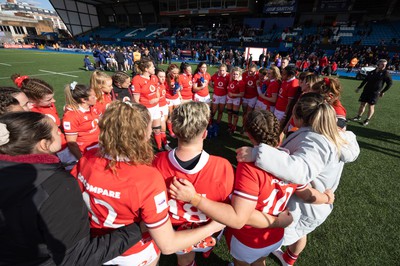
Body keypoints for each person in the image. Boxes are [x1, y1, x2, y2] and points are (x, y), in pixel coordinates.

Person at [170, 108, 335, 266]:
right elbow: (307, 194)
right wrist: (327, 198)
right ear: (280, 135)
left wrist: (194, 198)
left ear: (249, 135)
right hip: (275, 237)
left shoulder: (249, 168)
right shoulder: (291, 162)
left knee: (243, 263)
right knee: (258, 261)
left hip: (249, 237)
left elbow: (242, 216)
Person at [71, 101, 224, 266]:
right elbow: (167, 245)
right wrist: (213, 227)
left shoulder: (87, 158)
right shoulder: (147, 177)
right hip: (135, 251)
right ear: (142, 134)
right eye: (150, 128)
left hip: (97, 246)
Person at [0, 111, 142, 265]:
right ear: (43, 144)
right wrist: (136, 230)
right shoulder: (57, 185)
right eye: (57, 131)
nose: (61, 133)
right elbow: (75, 257)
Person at [236, 93, 360, 266]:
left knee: (273, 241)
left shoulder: (315, 141)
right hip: (316, 201)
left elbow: (299, 171)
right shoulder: (335, 135)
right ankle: (288, 260)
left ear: (299, 118)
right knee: (301, 233)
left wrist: (258, 153)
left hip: (307, 203)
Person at [153, 101, 235, 266]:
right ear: (205, 134)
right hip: (208, 228)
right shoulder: (222, 166)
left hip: (173, 232)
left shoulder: (157, 162)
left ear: (174, 132)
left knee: (184, 259)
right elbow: (231, 209)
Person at [20, 78, 76, 168]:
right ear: (33, 100)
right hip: (50, 152)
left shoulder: (49, 105)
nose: (54, 101)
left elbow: (57, 123)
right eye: (48, 99)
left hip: (63, 147)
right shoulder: (30, 113)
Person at [62, 82, 100, 160]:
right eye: (93, 97)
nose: (96, 98)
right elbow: (71, 143)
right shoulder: (71, 116)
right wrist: (82, 160)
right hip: (86, 151)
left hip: (98, 145)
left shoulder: (93, 107)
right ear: (83, 100)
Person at [131, 60, 162, 151]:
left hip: (155, 107)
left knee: (157, 129)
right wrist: (143, 109)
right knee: (147, 132)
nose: (154, 68)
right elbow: (136, 100)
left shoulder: (154, 77)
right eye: (152, 67)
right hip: (146, 109)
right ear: (146, 69)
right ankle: (145, 150)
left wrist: (157, 98)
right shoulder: (137, 79)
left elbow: (157, 90)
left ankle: (159, 147)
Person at [352, 59, 393, 126]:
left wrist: (382, 91)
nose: (383, 66)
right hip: (366, 91)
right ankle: (358, 117)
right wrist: (359, 88)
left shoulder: (386, 73)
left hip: (375, 93)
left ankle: (367, 120)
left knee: (371, 106)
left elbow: (390, 83)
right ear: (378, 64)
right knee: (362, 104)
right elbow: (365, 80)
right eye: (382, 64)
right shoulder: (372, 72)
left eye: (385, 65)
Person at [210, 63, 230, 136]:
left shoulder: (228, 76)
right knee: (213, 111)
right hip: (216, 95)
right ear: (218, 70)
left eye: (223, 70)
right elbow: (210, 80)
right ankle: (210, 122)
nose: (221, 72)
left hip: (224, 96)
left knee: (221, 111)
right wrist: (213, 86)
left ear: (226, 71)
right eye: (220, 70)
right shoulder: (215, 75)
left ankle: (218, 123)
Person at [165, 64, 182, 140]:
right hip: (168, 98)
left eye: (177, 73)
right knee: (171, 115)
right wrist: (171, 88)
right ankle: (170, 130)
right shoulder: (165, 79)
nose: (175, 75)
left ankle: (176, 128)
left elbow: (180, 86)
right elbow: (163, 90)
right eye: (174, 73)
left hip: (176, 98)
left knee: (177, 114)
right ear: (169, 71)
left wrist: (179, 90)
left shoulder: (178, 77)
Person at [156, 68, 172, 151]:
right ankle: (162, 145)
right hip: (158, 107)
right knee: (162, 127)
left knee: (163, 125)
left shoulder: (163, 84)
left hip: (164, 105)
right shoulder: (154, 85)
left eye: (164, 76)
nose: (163, 78)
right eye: (160, 76)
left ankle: (162, 141)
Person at [226, 67, 245, 134]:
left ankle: (234, 127)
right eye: (233, 74)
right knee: (229, 112)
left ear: (239, 75)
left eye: (236, 74)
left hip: (236, 99)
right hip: (229, 98)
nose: (235, 76)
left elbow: (242, 94)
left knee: (235, 114)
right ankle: (229, 125)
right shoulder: (230, 79)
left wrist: (233, 94)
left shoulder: (241, 82)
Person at [241, 63, 259, 133]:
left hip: (253, 97)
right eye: (250, 71)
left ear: (256, 71)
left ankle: (245, 127)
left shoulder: (257, 75)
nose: (251, 73)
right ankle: (244, 125)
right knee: (244, 112)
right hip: (244, 96)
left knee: (248, 113)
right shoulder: (244, 74)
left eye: (253, 71)